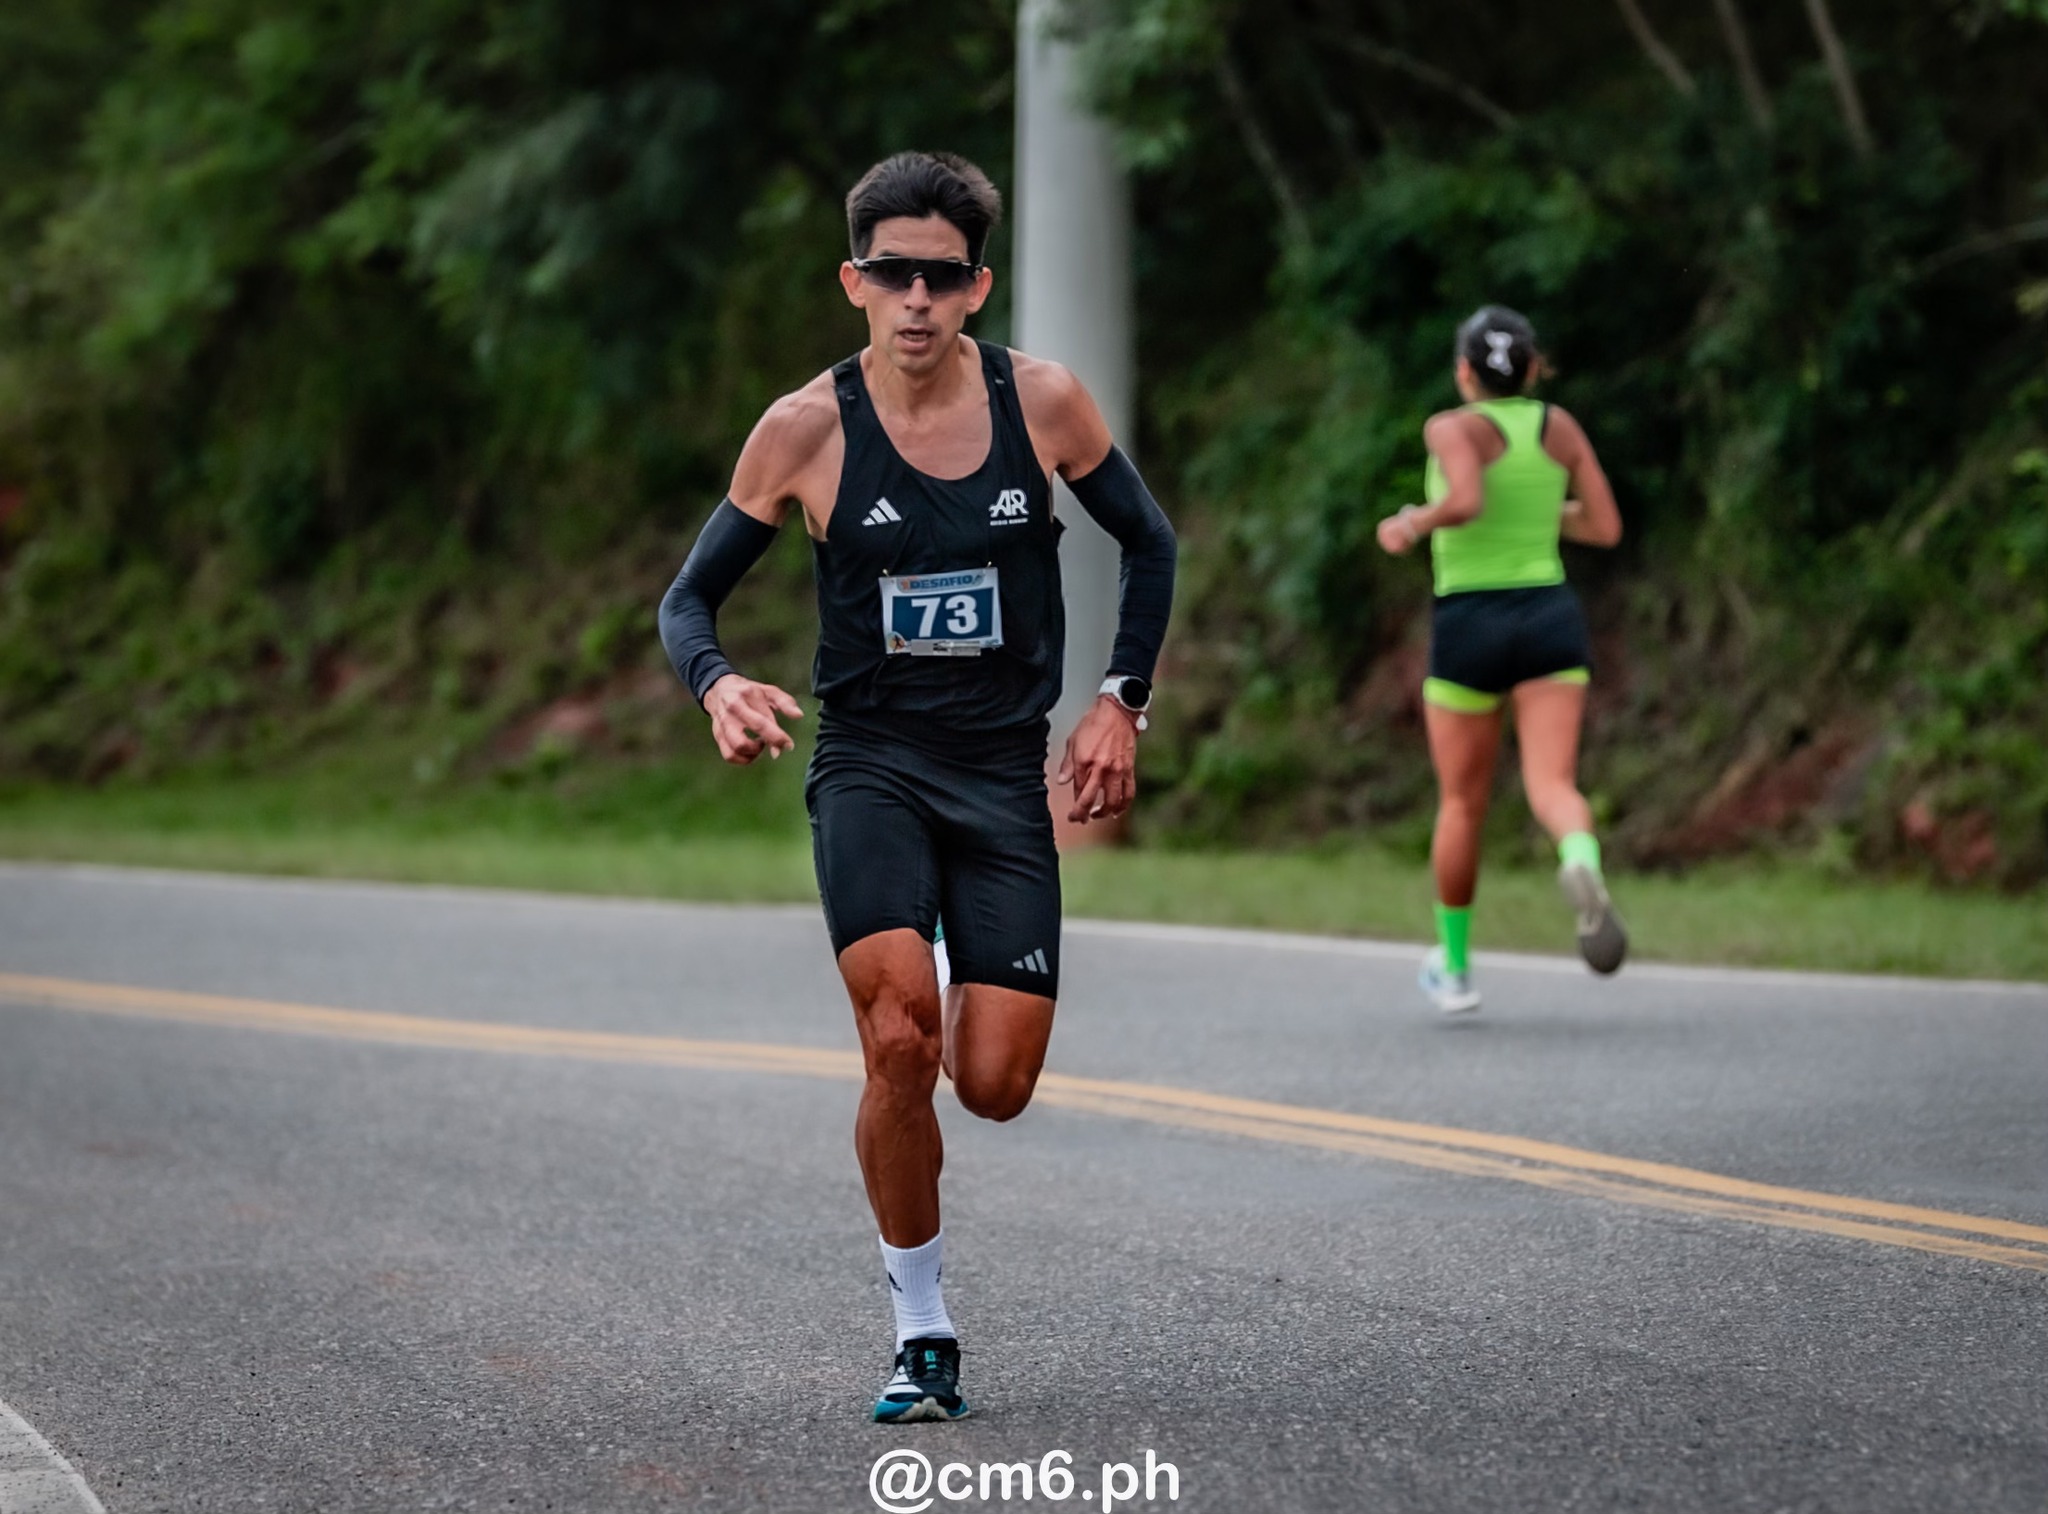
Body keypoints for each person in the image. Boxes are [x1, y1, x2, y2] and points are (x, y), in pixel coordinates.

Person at [658, 151, 1175, 1421]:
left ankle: (942, 953)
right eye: (892, 274)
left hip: (1000, 773)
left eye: (941, 277)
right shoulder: (804, 429)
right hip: (871, 764)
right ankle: (921, 1327)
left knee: (991, 1083)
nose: (916, 299)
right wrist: (717, 684)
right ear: (853, 281)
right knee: (899, 1042)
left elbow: (1148, 540)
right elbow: (688, 600)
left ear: (976, 286)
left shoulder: (1040, 402)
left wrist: (1119, 699)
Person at [1376, 305, 1626, 1015]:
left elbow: (1465, 499)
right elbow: (1604, 526)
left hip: (1470, 621)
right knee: (1553, 785)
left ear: (1464, 372)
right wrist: (1540, 512)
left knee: (1462, 804)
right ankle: (1579, 860)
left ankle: (1455, 970)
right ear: (1534, 368)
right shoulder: (1559, 427)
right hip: (1549, 617)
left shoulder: (1450, 428)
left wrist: (1412, 522)